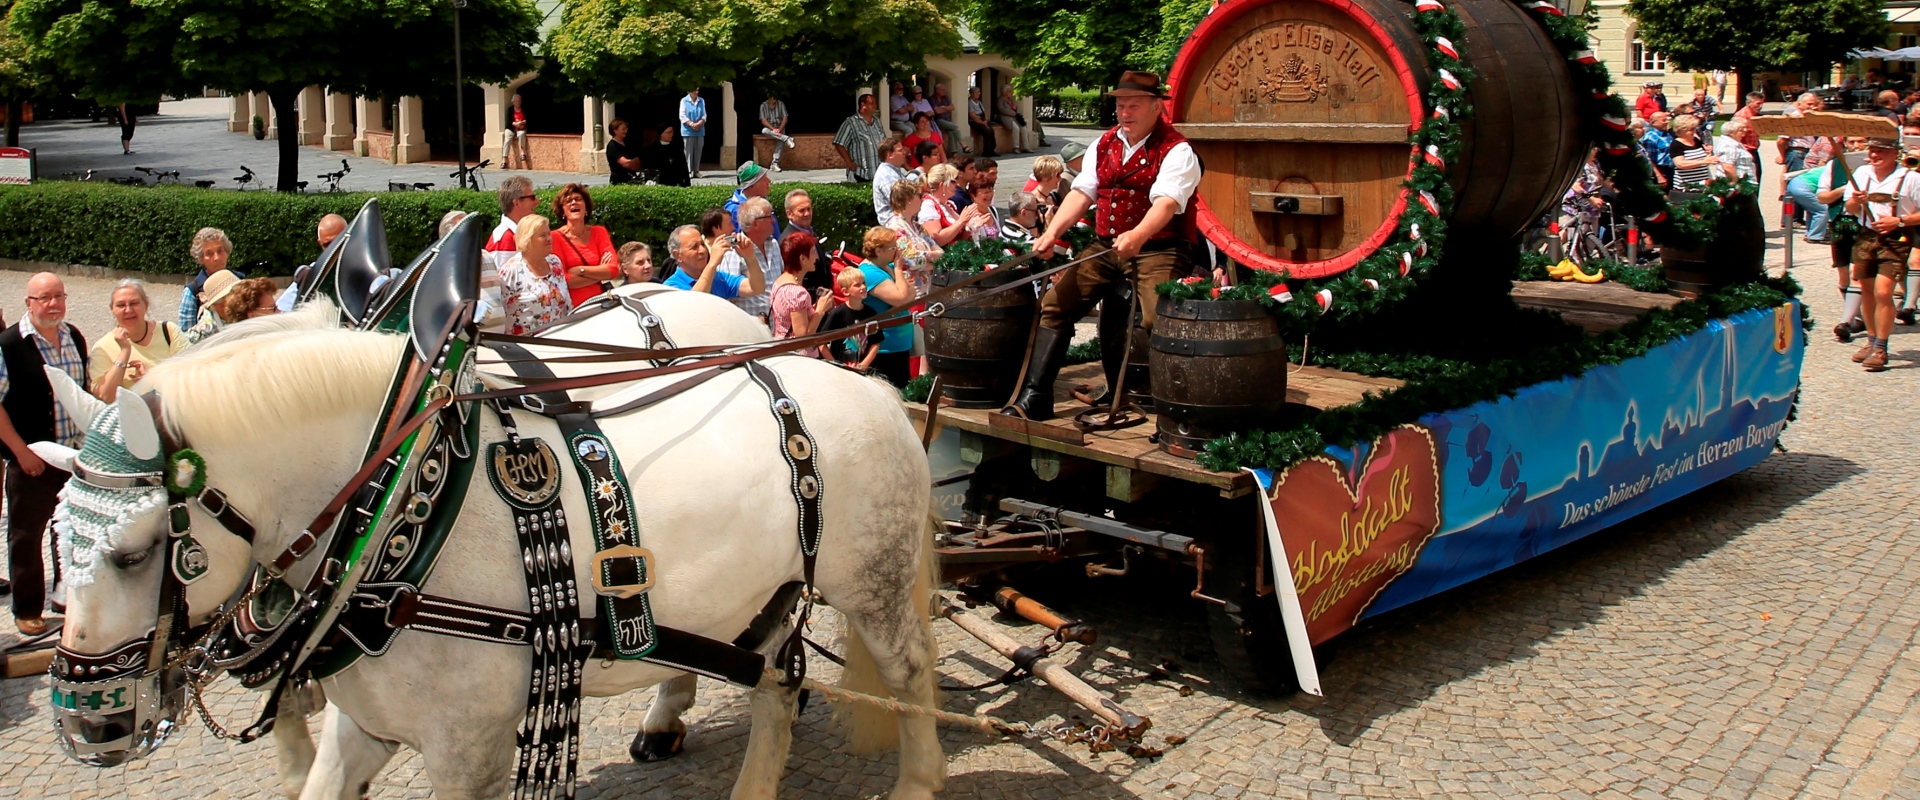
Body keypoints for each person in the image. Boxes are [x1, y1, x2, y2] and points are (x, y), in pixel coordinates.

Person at [1005, 70, 1201, 420]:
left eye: (1134, 105)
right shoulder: (1104, 143)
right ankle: (1035, 397)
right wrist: (1051, 234)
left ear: (1157, 107)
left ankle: (1177, 409)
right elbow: (1082, 193)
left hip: (1160, 248)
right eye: (1121, 105)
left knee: (1161, 318)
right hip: (1105, 246)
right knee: (1054, 306)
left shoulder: (1177, 149)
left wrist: (1138, 235)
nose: (1125, 112)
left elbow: (1167, 204)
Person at [0, 273, 86, 633]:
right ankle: (27, 609)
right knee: (26, 534)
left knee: (69, 531)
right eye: (44, 298)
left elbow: (82, 392)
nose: (53, 304)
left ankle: (67, 600)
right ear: (28, 303)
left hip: (72, 454)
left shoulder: (74, 336)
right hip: (33, 458)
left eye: (58, 296)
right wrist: (21, 452)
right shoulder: (8, 343)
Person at [1842, 137, 1920, 371]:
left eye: (1881, 152)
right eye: (1872, 150)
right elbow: (1850, 209)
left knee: (1883, 291)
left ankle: (1881, 348)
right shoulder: (1861, 173)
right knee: (1866, 289)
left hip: (1896, 240)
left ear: (1895, 153)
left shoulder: (1911, 178)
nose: (1874, 155)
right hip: (1866, 236)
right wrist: (1856, 201)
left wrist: (1900, 220)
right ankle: (1871, 339)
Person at [89, 280, 184, 401]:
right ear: (112, 309)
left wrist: (151, 380)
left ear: (146, 304)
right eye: (121, 305)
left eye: (134, 303)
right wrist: (124, 352)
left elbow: (192, 377)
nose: (128, 310)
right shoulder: (102, 348)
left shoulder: (169, 332)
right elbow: (106, 396)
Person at [855, 226, 918, 385]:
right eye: (892, 248)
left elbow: (913, 292)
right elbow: (902, 298)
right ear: (878, 251)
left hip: (899, 346)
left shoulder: (887, 268)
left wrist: (903, 287)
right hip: (883, 348)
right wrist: (898, 270)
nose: (897, 251)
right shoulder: (870, 273)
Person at [478, 176, 538, 330]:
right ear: (517, 202)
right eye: (531, 197)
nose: (536, 202)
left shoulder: (515, 233)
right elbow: (502, 286)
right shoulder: (503, 238)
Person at [498, 214, 574, 335]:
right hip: (525, 346)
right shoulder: (511, 271)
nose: (549, 238)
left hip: (560, 340)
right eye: (543, 235)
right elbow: (499, 312)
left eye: (549, 234)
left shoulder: (554, 262)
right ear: (527, 239)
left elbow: (567, 304)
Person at [550, 183, 618, 306]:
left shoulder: (599, 232)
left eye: (578, 199)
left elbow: (613, 270)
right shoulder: (555, 237)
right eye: (568, 201)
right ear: (562, 211)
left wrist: (580, 270)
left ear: (586, 208)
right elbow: (565, 280)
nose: (574, 202)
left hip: (600, 303)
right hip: (572, 307)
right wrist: (599, 273)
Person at [663, 224, 766, 300]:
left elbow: (757, 288)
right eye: (694, 247)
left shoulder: (719, 278)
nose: (703, 250)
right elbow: (695, 303)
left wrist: (750, 257)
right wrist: (712, 264)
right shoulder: (670, 287)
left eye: (703, 244)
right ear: (677, 255)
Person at [770, 231, 835, 346]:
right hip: (799, 358)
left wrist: (813, 308)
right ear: (803, 259)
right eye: (813, 252)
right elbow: (802, 338)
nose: (816, 257)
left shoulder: (780, 282)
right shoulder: (797, 293)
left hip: (781, 349)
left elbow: (791, 317)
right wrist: (820, 310)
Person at [277, 213, 349, 312]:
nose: (334, 249)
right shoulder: (311, 274)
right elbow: (282, 310)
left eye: (339, 242)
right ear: (320, 243)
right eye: (328, 244)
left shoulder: (365, 270)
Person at [726, 197, 783, 319]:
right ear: (756, 223)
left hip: (778, 325)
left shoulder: (773, 244)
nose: (773, 220)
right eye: (769, 217)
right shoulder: (734, 251)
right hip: (751, 327)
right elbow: (729, 295)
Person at [884, 179, 941, 295]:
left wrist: (927, 259)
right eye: (919, 195)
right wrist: (932, 257)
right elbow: (913, 260)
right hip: (912, 293)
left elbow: (940, 252)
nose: (922, 199)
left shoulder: (918, 227)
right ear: (908, 199)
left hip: (928, 290)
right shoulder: (895, 227)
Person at [819, 267, 879, 369]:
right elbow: (821, 344)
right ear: (846, 291)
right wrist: (836, 365)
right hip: (840, 370)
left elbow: (876, 343)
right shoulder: (838, 313)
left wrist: (863, 365)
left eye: (864, 283)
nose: (863, 287)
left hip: (864, 370)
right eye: (857, 285)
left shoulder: (871, 312)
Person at [177, 227, 235, 331]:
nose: (216, 258)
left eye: (220, 251)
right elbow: (186, 336)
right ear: (200, 259)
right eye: (209, 254)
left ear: (227, 252)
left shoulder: (241, 282)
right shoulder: (192, 292)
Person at [781, 189, 833, 292]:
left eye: (809, 209)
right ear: (789, 214)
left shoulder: (810, 231)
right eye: (801, 210)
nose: (807, 214)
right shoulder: (789, 241)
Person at [919, 164, 982, 246]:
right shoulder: (928, 205)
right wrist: (961, 222)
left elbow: (960, 239)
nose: (957, 184)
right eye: (953, 181)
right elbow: (936, 238)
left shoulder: (948, 204)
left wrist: (970, 226)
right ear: (942, 185)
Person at [834, 91, 887, 183]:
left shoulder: (877, 122)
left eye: (875, 103)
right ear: (863, 105)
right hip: (861, 174)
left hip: (879, 174)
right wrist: (849, 163)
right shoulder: (851, 122)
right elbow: (839, 143)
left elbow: (884, 142)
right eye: (872, 103)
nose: (875, 105)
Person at [184, 269, 243, 343]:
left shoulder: (245, 312)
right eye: (235, 295)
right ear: (217, 304)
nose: (241, 299)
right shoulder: (205, 330)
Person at [727, 161, 780, 237]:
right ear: (752, 186)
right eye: (764, 179)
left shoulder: (764, 201)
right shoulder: (734, 210)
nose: (769, 181)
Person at [1667, 115, 1718, 190]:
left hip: (1702, 183)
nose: (1694, 131)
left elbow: (1703, 157)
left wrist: (1709, 154)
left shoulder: (1696, 140)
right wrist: (1703, 161)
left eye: (1695, 128)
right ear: (1681, 130)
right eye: (1691, 129)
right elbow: (1680, 164)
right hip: (1686, 186)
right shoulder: (1676, 144)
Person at [872, 136, 911, 224]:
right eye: (900, 151)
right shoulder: (887, 175)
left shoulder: (894, 171)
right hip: (895, 224)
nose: (904, 153)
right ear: (890, 155)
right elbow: (900, 201)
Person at [1731, 91, 1766, 187]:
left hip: (1753, 150)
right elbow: (1734, 136)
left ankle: (1754, 201)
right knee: (1749, 180)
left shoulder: (1754, 115)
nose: (1761, 106)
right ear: (1749, 103)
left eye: (1762, 103)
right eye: (1758, 103)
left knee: (1756, 177)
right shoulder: (1741, 116)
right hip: (1745, 151)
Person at [1712, 118, 1757, 182]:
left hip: (1744, 181)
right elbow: (1728, 167)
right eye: (1741, 130)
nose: (1745, 130)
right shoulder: (1728, 145)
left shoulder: (1734, 142)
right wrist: (1736, 182)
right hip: (1739, 184)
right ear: (1731, 132)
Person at [759, 94, 796, 172]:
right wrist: (773, 129)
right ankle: (787, 139)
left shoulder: (781, 104)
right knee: (764, 131)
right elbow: (764, 120)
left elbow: (785, 118)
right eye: (773, 97)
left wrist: (779, 129)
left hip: (780, 127)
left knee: (780, 141)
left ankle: (774, 163)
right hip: (770, 128)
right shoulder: (763, 106)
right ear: (769, 97)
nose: (775, 99)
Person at [1640, 112, 1675, 189]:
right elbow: (1650, 159)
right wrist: (1659, 176)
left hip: (1672, 170)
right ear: (1653, 123)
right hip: (1662, 172)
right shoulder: (1650, 138)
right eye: (1663, 120)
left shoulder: (1668, 134)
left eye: (1667, 120)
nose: (1667, 122)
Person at [679, 88, 708, 179]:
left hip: (700, 130)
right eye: (695, 90)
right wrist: (692, 124)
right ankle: (688, 171)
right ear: (690, 91)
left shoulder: (701, 100)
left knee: (698, 151)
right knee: (688, 151)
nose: (697, 92)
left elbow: (704, 115)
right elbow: (682, 115)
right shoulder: (684, 101)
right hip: (688, 131)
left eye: (698, 90)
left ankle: (696, 171)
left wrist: (699, 123)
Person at [929, 84, 965, 154]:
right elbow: (937, 111)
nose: (944, 91)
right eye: (942, 90)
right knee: (955, 126)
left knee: (951, 132)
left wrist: (942, 107)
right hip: (938, 121)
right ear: (937, 90)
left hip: (947, 121)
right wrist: (946, 108)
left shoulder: (946, 98)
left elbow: (952, 107)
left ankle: (954, 154)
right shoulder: (932, 99)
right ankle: (963, 145)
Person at [606, 118, 641, 185]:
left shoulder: (627, 143)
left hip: (631, 178)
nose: (626, 131)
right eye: (623, 129)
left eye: (626, 129)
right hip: (619, 180)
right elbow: (626, 163)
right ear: (615, 130)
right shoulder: (612, 146)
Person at [995, 85, 1029, 154]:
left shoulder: (1012, 99)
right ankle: (1016, 147)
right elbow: (1002, 109)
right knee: (1016, 129)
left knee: (1024, 128)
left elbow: (1017, 107)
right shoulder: (1000, 100)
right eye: (1009, 91)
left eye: (1010, 90)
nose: (1011, 92)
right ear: (1004, 92)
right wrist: (1013, 114)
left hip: (1016, 117)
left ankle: (1026, 147)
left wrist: (1018, 114)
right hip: (1006, 117)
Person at [967, 87, 996, 157]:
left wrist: (985, 120)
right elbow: (973, 116)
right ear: (972, 94)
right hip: (974, 121)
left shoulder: (979, 102)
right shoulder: (969, 102)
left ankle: (992, 150)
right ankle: (986, 151)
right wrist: (982, 123)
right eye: (976, 92)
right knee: (987, 131)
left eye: (979, 92)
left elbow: (984, 112)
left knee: (991, 130)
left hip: (982, 120)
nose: (978, 94)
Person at [507, 93, 532, 170]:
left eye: (519, 101)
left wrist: (522, 122)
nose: (518, 103)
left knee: (521, 134)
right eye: (516, 101)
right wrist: (515, 123)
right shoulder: (510, 109)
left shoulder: (524, 109)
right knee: (507, 138)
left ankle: (523, 152)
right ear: (513, 102)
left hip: (521, 127)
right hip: (512, 127)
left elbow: (527, 119)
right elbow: (509, 121)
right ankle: (504, 159)